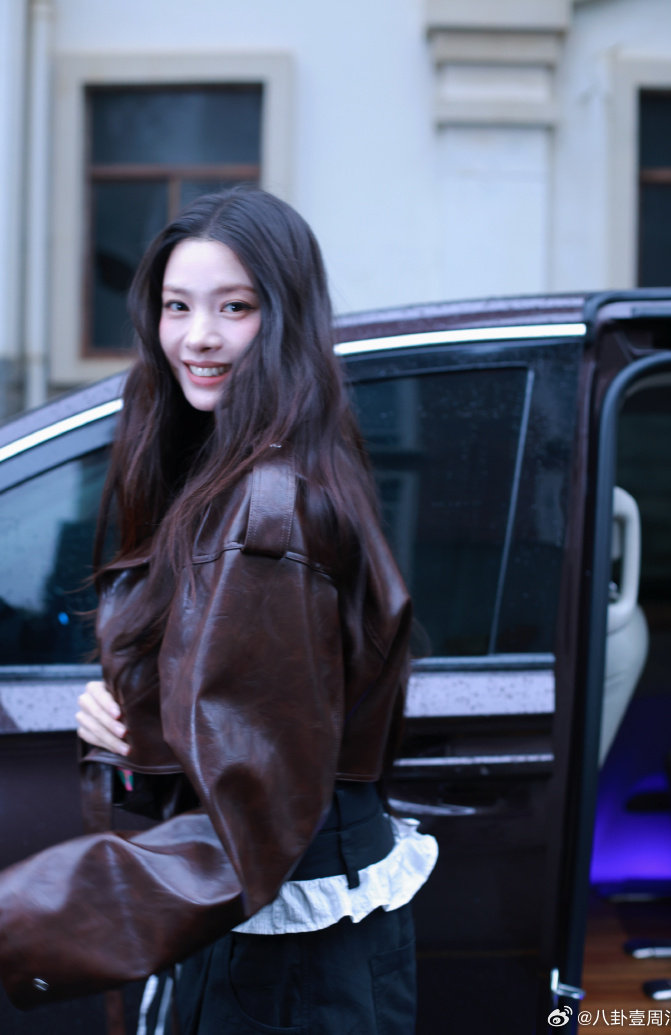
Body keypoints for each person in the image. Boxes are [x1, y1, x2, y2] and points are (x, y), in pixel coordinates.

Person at [0, 186, 437, 1033]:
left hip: (285, 963)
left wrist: (21, 921)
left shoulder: (268, 512)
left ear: (285, 319)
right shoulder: (257, 469)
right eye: (178, 306)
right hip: (277, 940)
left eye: (234, 307)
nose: (197, 335)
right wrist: (140, 722)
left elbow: (252, 821)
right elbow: (261, 721)